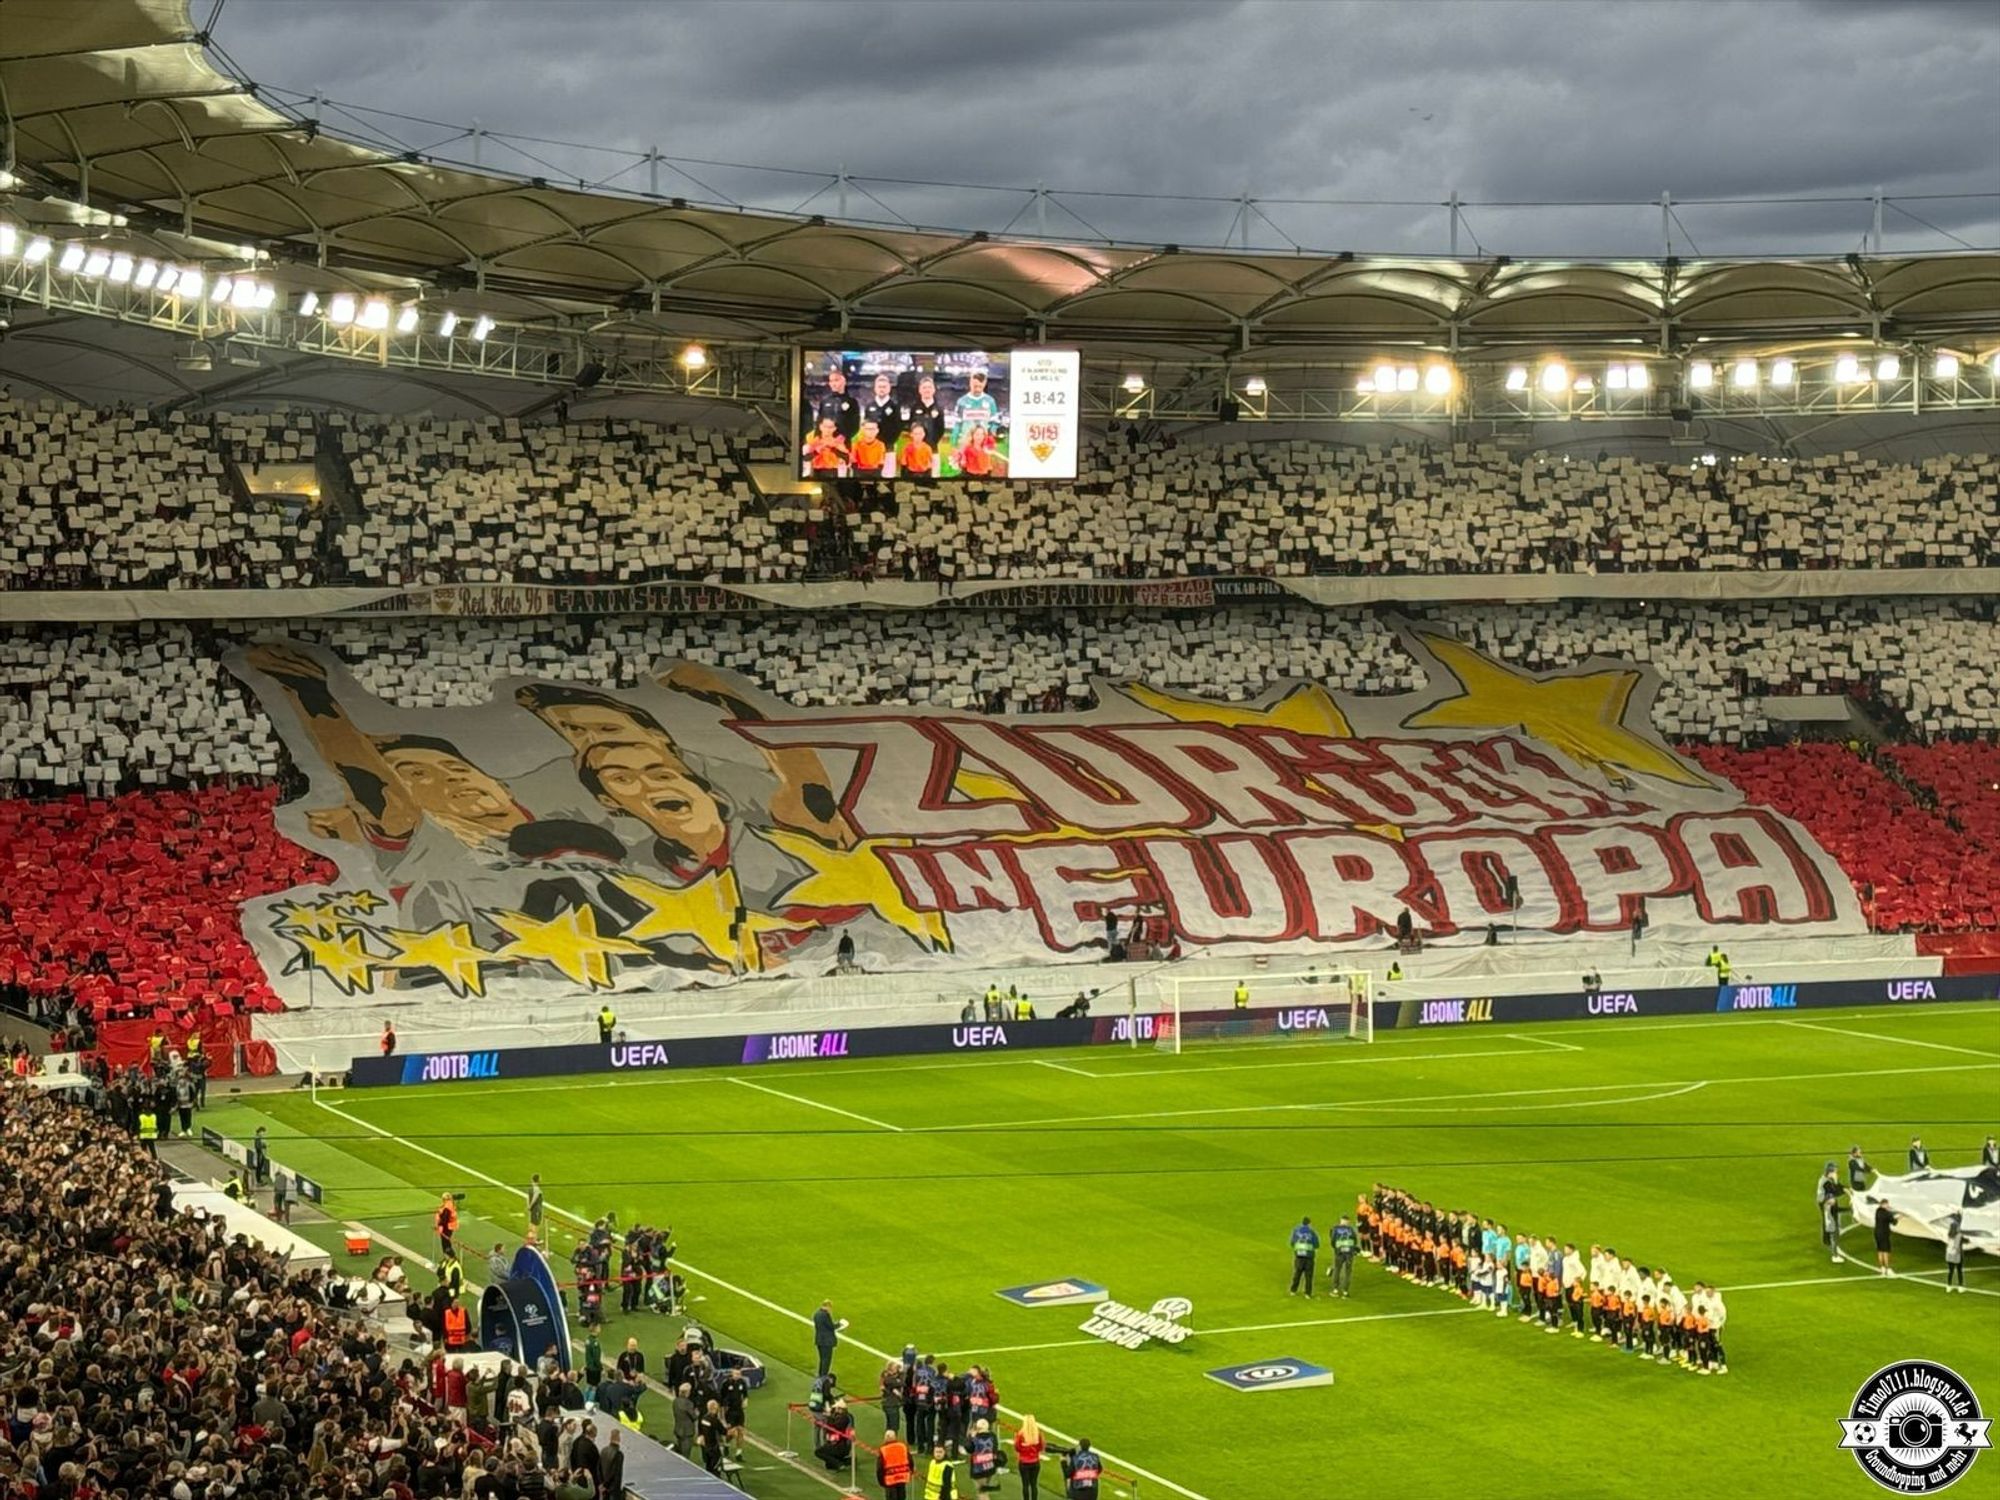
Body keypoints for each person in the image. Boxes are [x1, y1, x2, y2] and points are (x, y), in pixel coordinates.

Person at [1013, 1415, 1044, 1499]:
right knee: (1034, 1484)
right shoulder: (1038, 1434)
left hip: (1024, 1463)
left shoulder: (1020, 1435)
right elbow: (1041, 1447)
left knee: (1025, 1484)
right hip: (1035, 1462)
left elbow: (1017, 1447)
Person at [878, 1427, 914, 1499]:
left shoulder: (883, 1450)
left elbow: (880, 1468)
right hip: (902, 1477)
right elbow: (910, 1461)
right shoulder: (903, 1446)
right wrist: (910, 1472)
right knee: (902, 1496)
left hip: (890, 1480)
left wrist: (881, 1481)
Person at [1288, 1216, 1319, 1296]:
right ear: (1309, 1224)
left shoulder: (1296, 1231)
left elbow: (1292, 1243)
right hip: (1309, 1257)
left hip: (1299, 1257)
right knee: (1308, 1276)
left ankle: (1293, 1290)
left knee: (1297, 1274)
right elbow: (1316, 1244)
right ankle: (1307, 1293)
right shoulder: (1312, 1232)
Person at [1329, 1213, 1358, 1298]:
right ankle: (1345, 1291)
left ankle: (1335, 1290)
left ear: (1341, 1221)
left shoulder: (1336, 1229)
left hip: (1339, 1253)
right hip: (1349, 1253)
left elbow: (1333, 1240)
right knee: (1348, 1272)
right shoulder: (1351, 1230)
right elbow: (1355, 1241)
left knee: (1337, 1270)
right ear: (1348, 1222)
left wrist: (1336, 1249)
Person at [814, 1299, 845, 1379]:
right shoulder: (825, 1315)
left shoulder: (816, 1314)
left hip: (819, 1340)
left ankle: (820, 1374)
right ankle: (823, 1377)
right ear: (827, 1306)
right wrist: (840, 1324)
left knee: (822, 1359)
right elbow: (831, 1326)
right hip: (827, 1342)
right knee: (826, 1360)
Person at [1818, 1165, 1843, 1262]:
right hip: (1828, 1213)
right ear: (1830, 1172)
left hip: (1825, 1206)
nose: (1836, 1173)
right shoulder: (1827, 1183)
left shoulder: (1824, 1179)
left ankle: (1828, 1242)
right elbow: (1835, 1191)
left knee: (1832, 1231)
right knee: (1834, 1234)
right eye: (1835, 1172)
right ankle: (1835, 1255)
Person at [1943, 1213, 1967, 1293]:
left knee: (1951, 1271)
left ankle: (1948, 1286)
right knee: (1959, 1271)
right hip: (1957, 1255)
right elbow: (1964, 1241)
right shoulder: (1959, 1235)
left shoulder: (1949, 1234)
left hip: (1949, 1254)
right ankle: (1960, 1287)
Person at [1873, 1200, 1895, 1275]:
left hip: (1877, 1233)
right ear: (1884, 1204)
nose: (1888, 1205)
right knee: (1886, 1251)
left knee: (1880, 1251)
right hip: (1884, 1234)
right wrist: (1901, 1216)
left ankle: (1882, 1267)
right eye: (1887, 1204)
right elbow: (1894, 1222)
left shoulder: (1877, 1211)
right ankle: (1887, 1268)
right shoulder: (1887, 1213)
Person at [436, 1192, 459, 1257]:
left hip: (447, 1227)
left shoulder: (447, 1207)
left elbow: (445, 1219)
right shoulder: (449, 1204)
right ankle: (449, 1256)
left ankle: (449, 1256)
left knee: (445, 1242)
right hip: (449, 1226)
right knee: (446, 1242)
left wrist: (440, 1224)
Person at [528, 1171, 545, 1237]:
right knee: (535, 1224)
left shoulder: (531, 1188)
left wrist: (529, 1206)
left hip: (533, 1208)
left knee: (531, 1223)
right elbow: (534, 1198)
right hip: (537, 1208)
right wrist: (530, 1206)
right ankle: (533, 1238)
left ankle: (531, 1238)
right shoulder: (537, 1189)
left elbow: (528, 1198)